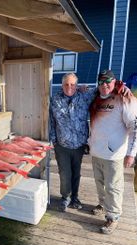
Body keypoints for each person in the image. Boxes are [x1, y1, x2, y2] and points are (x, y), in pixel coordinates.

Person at [89, 70, 137, 234]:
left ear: (114, 81)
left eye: (108, 81)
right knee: (99, 183)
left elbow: (134, 128)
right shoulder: (95, 96)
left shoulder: (124, 97)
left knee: (114, 187)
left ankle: (113, 216)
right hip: (96, 152)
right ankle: (103, 204)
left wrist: (132, 153)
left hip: (114, 155)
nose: (104, 85)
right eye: (101, 81)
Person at [49, 73, 96, 212]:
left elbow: (103, 89)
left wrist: (123, 88)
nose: (69, 87)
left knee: (76, 173)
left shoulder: (84, 96)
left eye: (72, 84)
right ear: (62, 85)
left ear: (76, 85)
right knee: (64, 173)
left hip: (79, 145)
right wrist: (53, 140)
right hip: (61, 145)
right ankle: (65, 198)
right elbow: (51, 121)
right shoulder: (55, 99)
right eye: (66, 84)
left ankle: (75, 197)